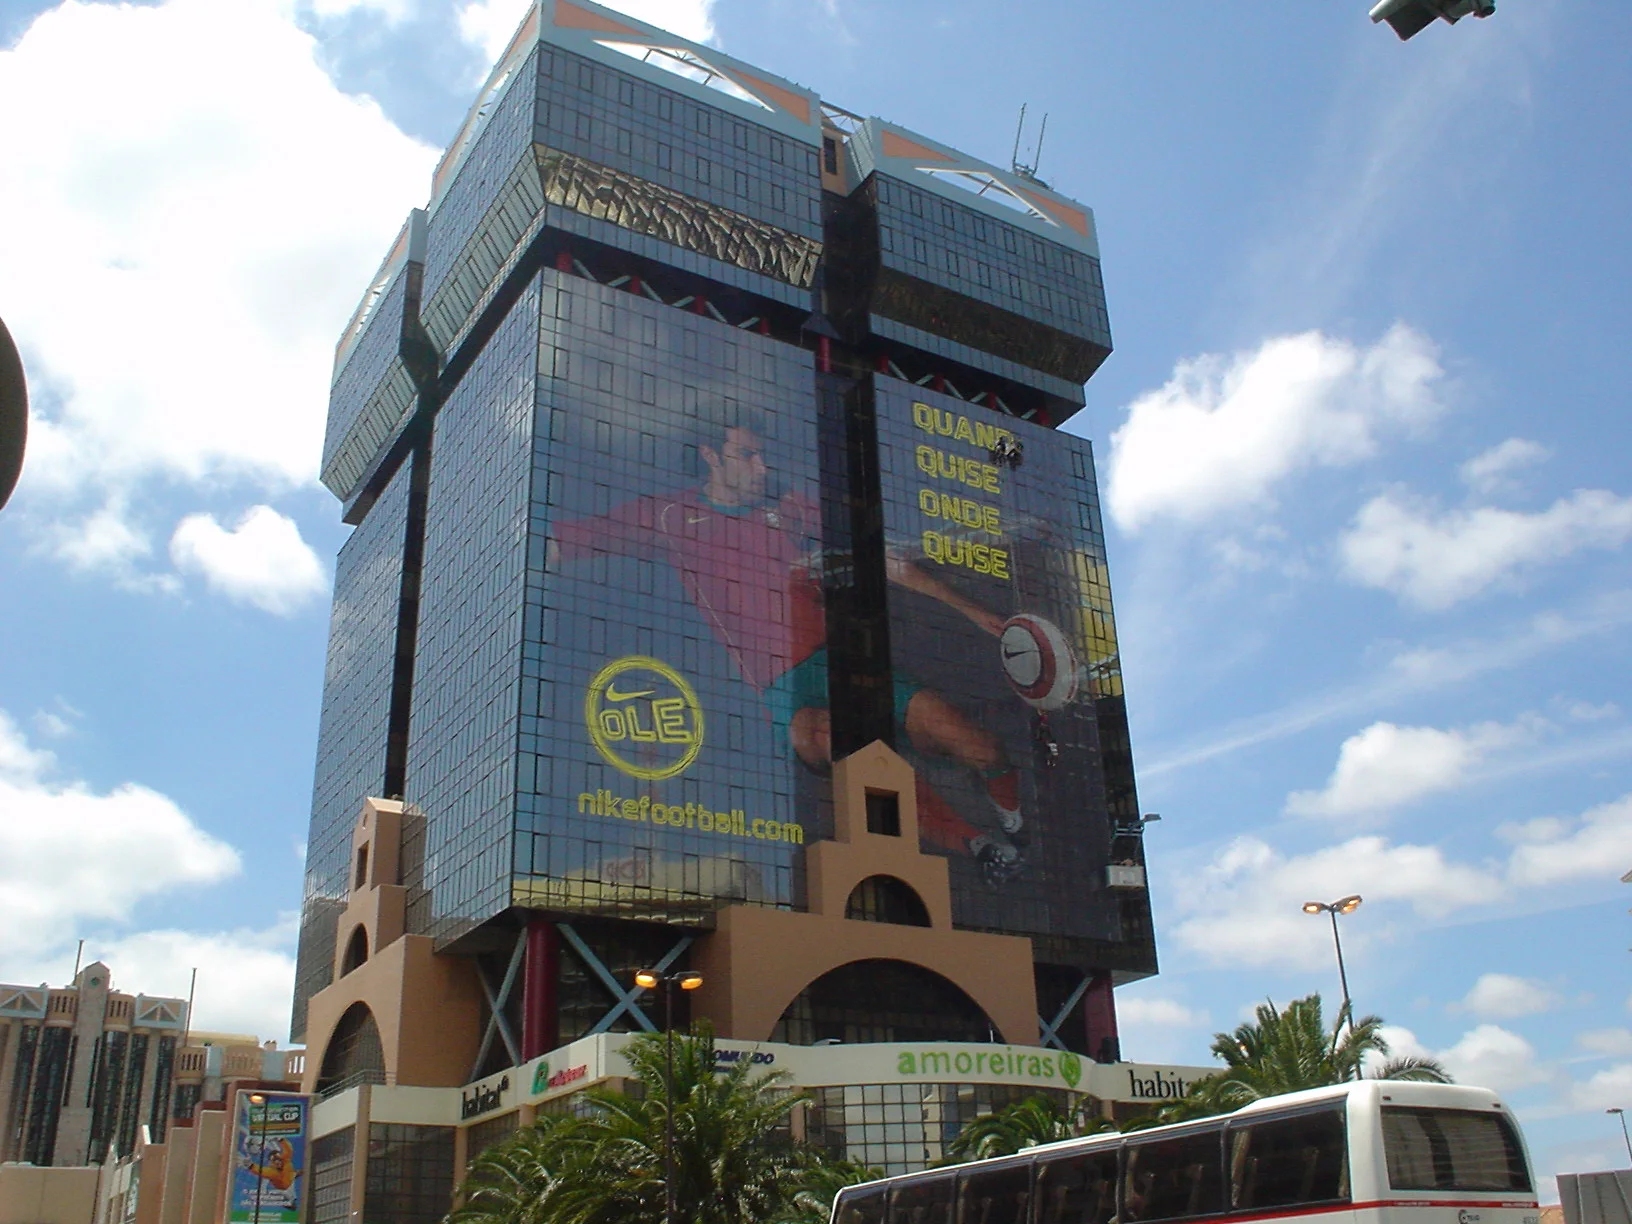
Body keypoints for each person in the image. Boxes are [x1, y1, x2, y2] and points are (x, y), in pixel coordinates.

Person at [550, 406, 1026, 877]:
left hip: (843, 666)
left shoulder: (792, 508)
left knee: (980, 748)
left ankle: (1015, 821)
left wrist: (972, 609)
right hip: (779, 687)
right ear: (711, 457)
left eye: (764, 457)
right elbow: (568, 541)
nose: (762, 468)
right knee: (848, 750)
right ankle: (980, 844)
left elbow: (879, 558)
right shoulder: (671, 516)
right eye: (748, 455)